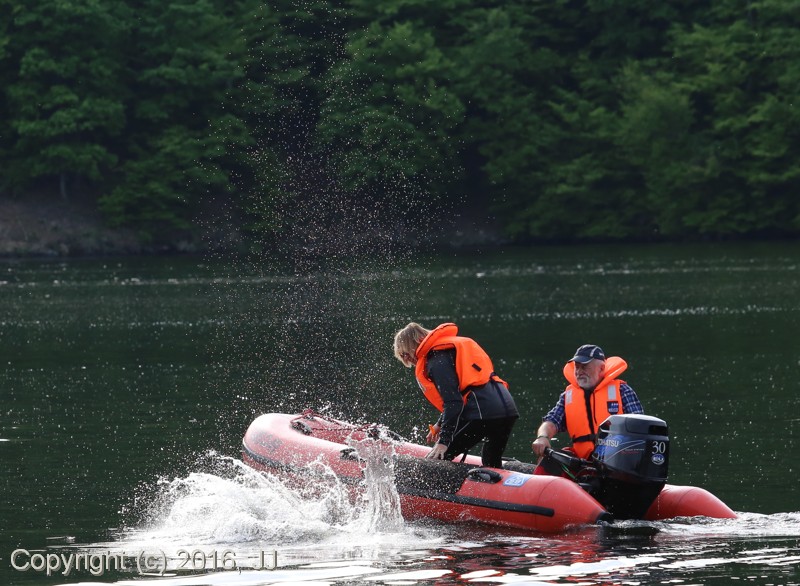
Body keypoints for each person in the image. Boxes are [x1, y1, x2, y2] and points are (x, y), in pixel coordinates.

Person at [393, 322, 519, 468]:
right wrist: (439, 424)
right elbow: (460, 394)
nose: (406, 359)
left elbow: (454, 402)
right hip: (507, 408)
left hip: (483, 413)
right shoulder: (449, 349)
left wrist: (443, 442)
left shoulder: (436, 360)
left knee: (437, 460)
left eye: (404, 354)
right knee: (491, 462)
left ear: (410, 348)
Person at [531, 344, 643, 461]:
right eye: (577, 367)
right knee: (546, 459)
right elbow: (552, 421)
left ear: (601, 368)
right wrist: (542, 437)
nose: (579, 372)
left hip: (617, 459)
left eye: (584, 367)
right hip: (581, 460)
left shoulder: (622, 391)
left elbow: (640, 427)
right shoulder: (568, 396)